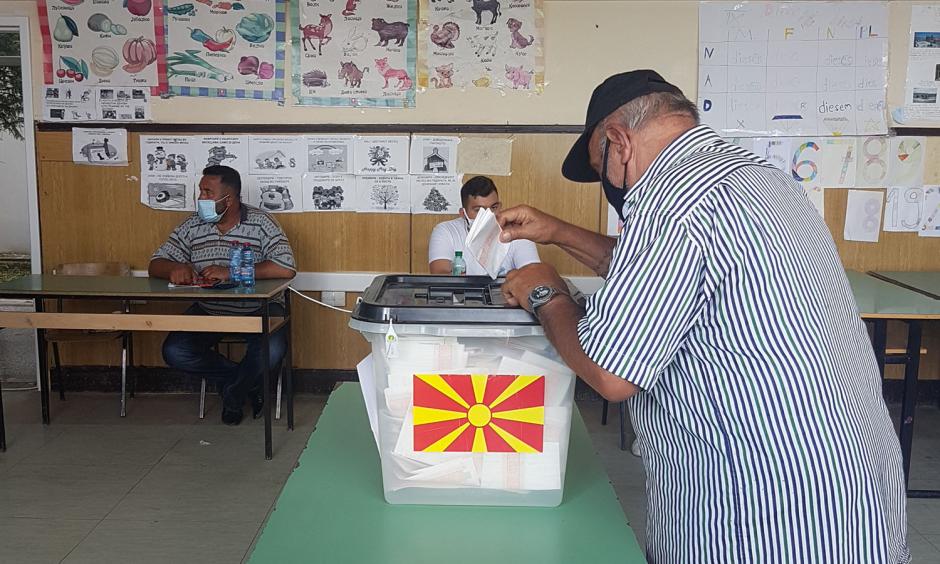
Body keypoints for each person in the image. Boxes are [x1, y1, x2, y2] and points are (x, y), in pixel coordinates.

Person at [498, 70, 909, 562]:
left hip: (759, 515)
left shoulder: (670, 198)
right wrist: (557, 232)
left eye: (599, 167)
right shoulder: (761, 179)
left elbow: (610, 374)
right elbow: (665, 275)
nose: (608, 183)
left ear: (619, 143)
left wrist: (545, 293)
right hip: (853, 494)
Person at [149, 165, 296, 426]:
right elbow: (155, 264)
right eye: (200, 191)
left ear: (229, 199)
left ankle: (233, 394)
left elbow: (285, 268)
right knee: (175, 351)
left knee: (272, 351)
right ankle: (243, 384)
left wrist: (231, 272)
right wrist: (174, 268)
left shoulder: (261, 223)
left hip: (258, 308)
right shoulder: (193, 224)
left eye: (208, 192)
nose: (201, 198)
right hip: (209, 308)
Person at [428, 176, 540, 275]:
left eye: (494, 207)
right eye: (479, 210)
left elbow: (533, 276)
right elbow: (440, 276)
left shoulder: (517, 233)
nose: (488, 215)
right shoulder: (446, 231)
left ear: (500, 206)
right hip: (460, 293)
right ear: (463, 213)